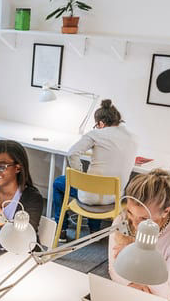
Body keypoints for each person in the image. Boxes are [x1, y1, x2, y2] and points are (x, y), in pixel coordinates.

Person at [107, 170, 170, 301]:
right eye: (130, 212)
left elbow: (166, 294)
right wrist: (132, 285)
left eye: (144, 219)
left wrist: (134, 257)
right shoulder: (123, 221)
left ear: (166, 211)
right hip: (132, 292)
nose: (134, 224)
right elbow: (114, 269)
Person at [49, 100, 139, 237]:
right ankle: (94, 231)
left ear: (101, 123)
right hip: (115, 198)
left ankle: (61, 229)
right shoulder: (134, 138)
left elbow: (72, 153)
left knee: (59, 183)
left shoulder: (96, 134)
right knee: (98, 182)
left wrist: (79, 177)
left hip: (90, 197)